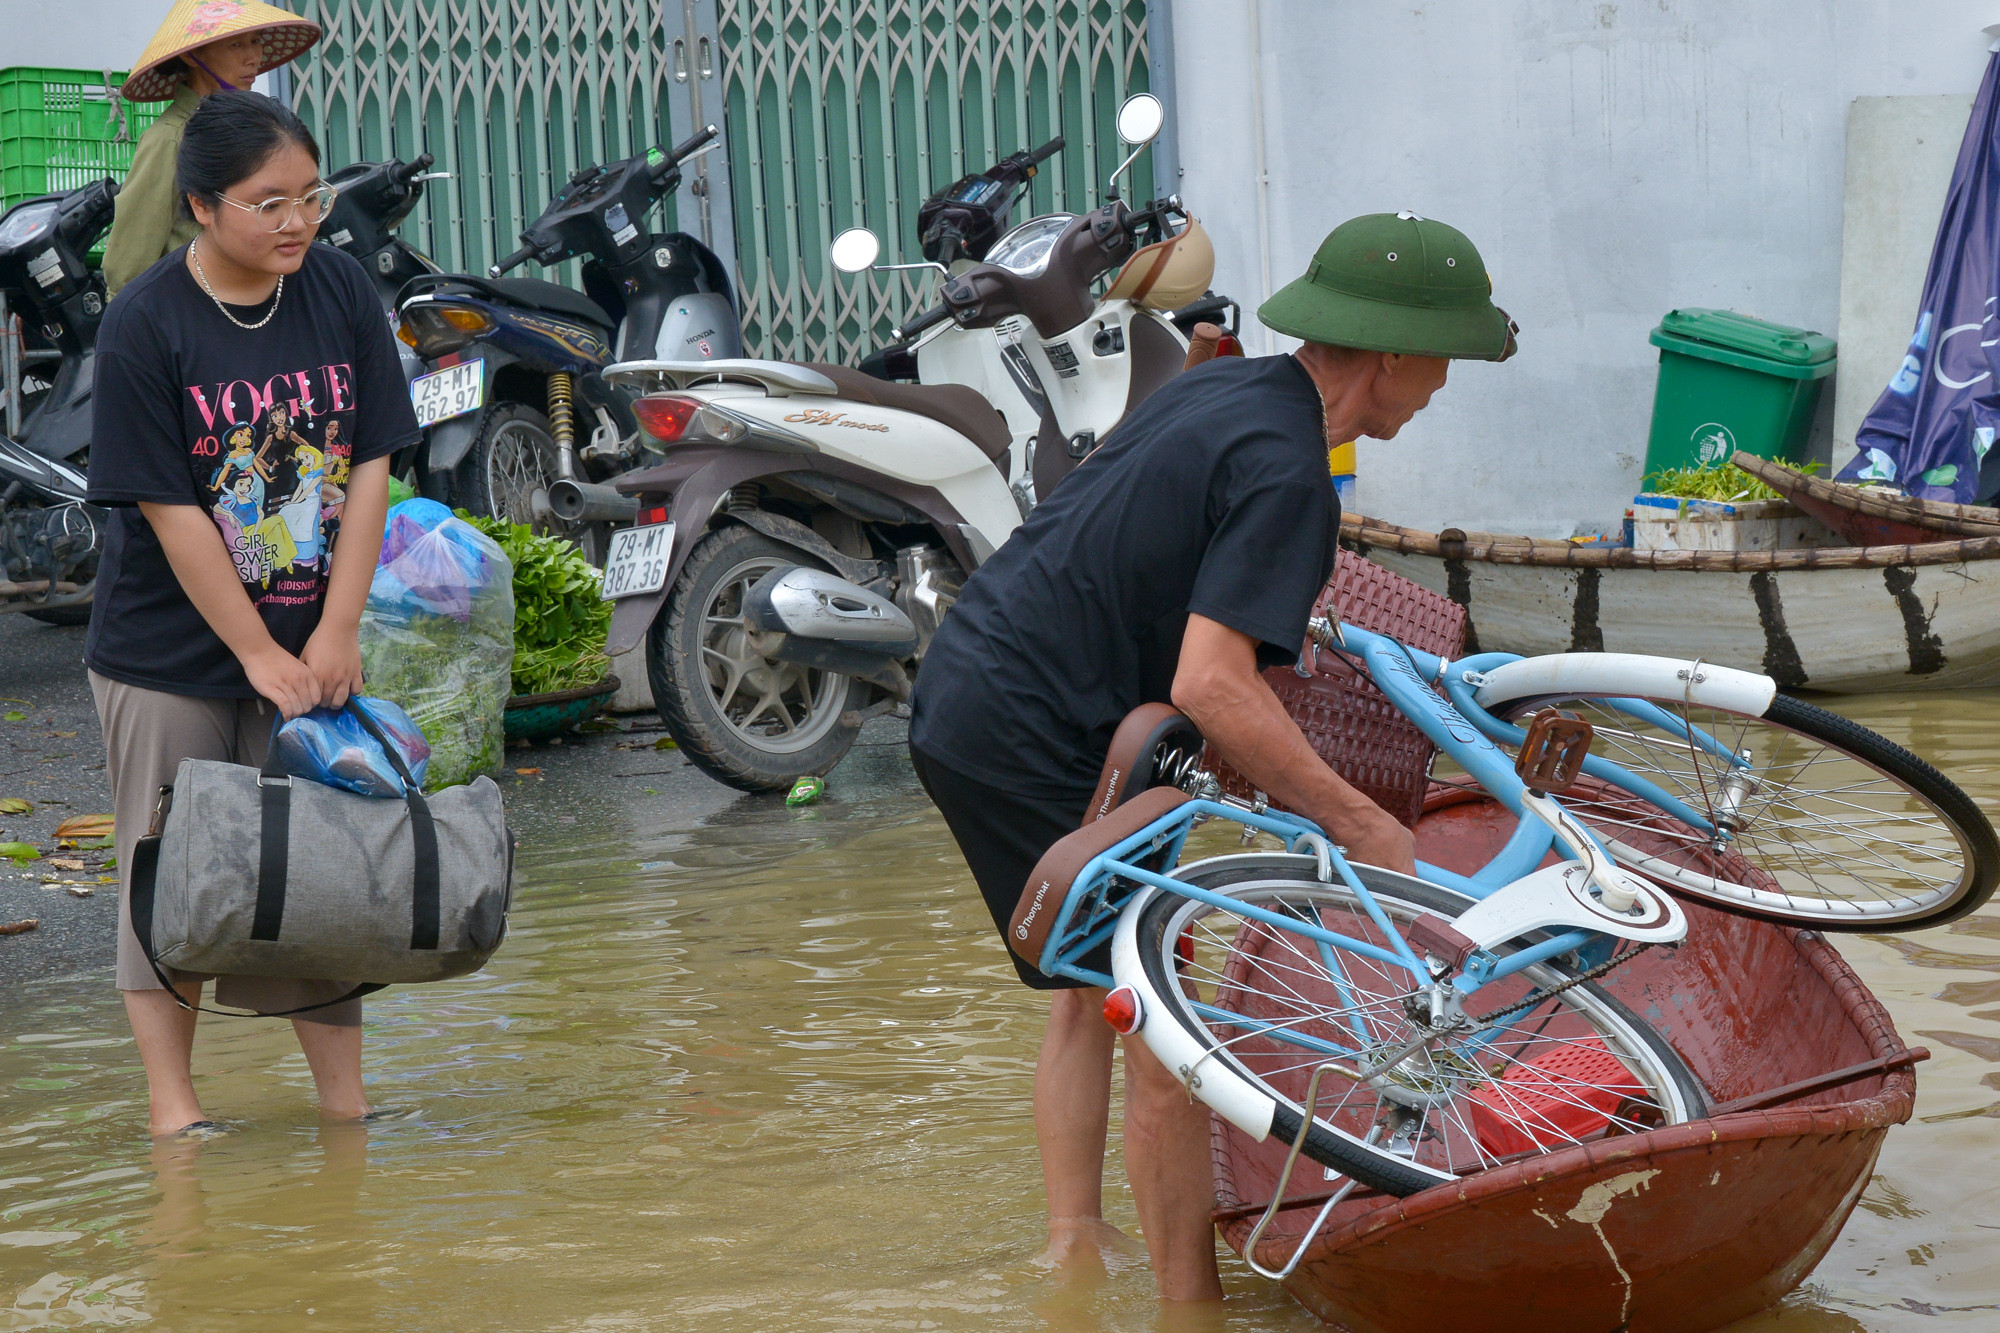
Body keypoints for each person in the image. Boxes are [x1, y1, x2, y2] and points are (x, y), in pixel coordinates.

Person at [907, 212, 1517, 1301]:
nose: (1442, 384)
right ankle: (1191, 1308)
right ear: (1388, 353)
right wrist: (1360, 819)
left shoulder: (1223, 385)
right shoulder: (1289, 473)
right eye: (1443, 360)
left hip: (984, 682)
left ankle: (1073, 1247)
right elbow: (1212, 684)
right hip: (1043, 720)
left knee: (1088, 983)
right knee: (1163, 1027)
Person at [86, 88, 418, 1137]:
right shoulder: (146, 324)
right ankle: (175, 1115)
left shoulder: (340, 290)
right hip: (165, 654)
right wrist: (250, 651)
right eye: (266, 202)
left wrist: (336, 629)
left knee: (321, 875)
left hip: (310, 646)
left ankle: (345, 1112)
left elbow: (369, 466)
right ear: (200, 206)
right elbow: (170, 510)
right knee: (167, 871)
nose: (296, 222)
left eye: (309, 197)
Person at [103, 0, 321, 299]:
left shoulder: (255, 130)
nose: (253, 57)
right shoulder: (170, 139)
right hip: (193, 311)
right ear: (193, 55)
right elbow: (127, 263)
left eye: (256, 41)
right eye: (236, 44)